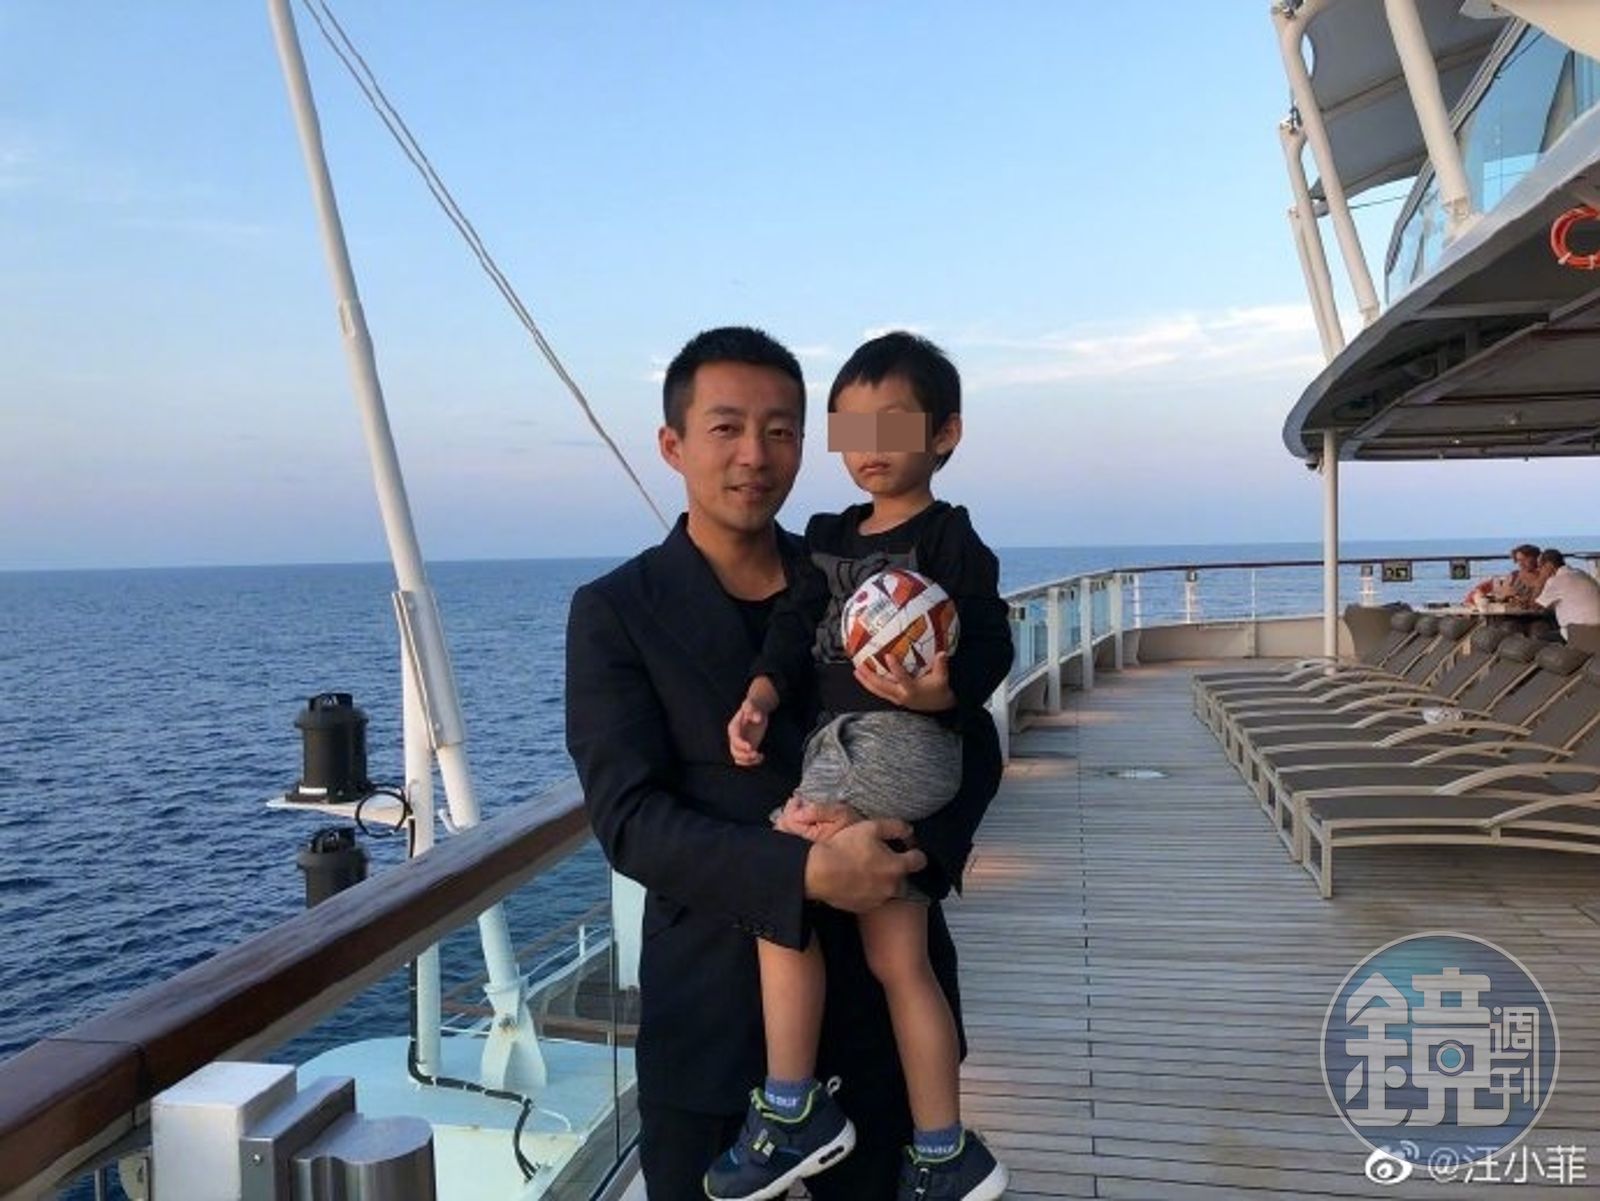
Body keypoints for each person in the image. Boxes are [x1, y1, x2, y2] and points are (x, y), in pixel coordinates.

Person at [565, 327, 1002, 1200]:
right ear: (673, 444)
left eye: (781, 431)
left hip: (880, 1029)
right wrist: (805, 871)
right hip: (713, 1031)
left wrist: (909, 850)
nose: (755, 455)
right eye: (726, 427)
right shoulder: (615, 610)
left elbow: (971, 738)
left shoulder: (866, 569)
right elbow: (630, 819)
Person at [708, 332, 1013, 1201]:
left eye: (892, 423)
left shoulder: (950, 537)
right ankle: (943, 1149)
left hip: (899, 740)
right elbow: (792, 628)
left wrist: (940, 694)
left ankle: (792, 1107)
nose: (869, 445)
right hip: (845, 742)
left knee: (780, 887)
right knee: (899, 959)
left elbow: (990, 639)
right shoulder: (827, 536)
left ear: (945, 433)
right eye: (851, 426)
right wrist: (762, 691)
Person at [1532, 549, 1600, 640]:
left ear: (1549, 565)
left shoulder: (1556, 580)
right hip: (1596, 628)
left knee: (1538, 638)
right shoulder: (1580, 573)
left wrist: (1541, 579)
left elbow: (1535, 606)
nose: (1539, 570)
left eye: (1540, 567)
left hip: (1580, 631)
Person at [1464, 544, 1542, 607]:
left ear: (1536, 559)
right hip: (1512, 610)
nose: (1521, 563)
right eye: (1519, 560)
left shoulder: (1544, 577)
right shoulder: (1515, 575)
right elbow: (1504, 593)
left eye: (1525, 559)